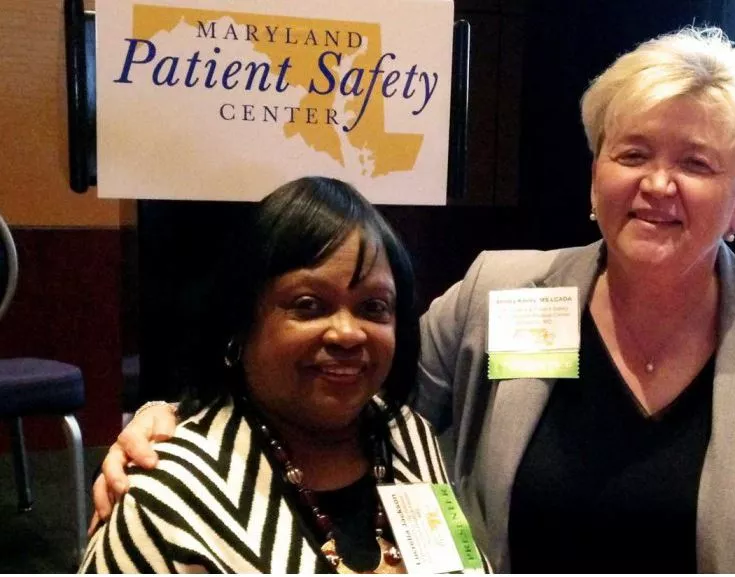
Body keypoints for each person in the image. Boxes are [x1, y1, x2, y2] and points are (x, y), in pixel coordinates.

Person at [93, 27, 735, 572]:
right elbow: (345, 388)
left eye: (696, 162)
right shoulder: (502, 293)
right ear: (595, 177)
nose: (658, 184)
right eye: (632, 152)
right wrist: (176, 420)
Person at [81, 177, 482, 573]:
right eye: (309, 305)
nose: (347, 333)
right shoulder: (159, 502)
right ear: (241, 320)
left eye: (374, 307)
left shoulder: (407, 435)